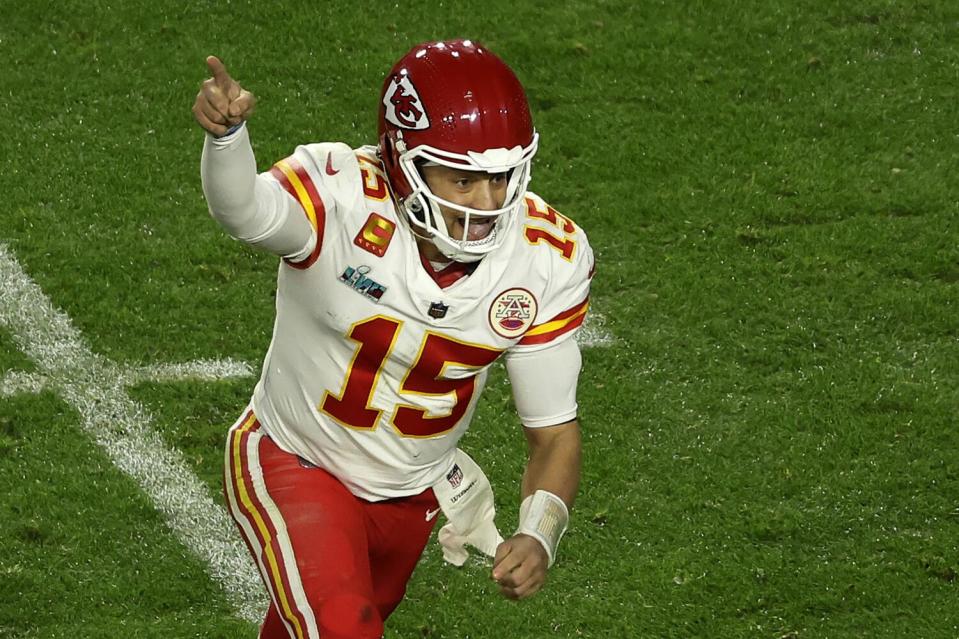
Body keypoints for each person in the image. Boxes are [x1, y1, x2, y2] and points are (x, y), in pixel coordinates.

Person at [193, 39, 594, 639]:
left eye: (500, 177)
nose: (486, 204)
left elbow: (554, 432)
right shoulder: (341, 194)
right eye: (462, 179)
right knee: (342, 629)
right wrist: (226, 139)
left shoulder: (546, 258)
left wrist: (539, 532)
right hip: (294, 458)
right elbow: (246, 212)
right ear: (404, 161)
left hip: (411, 494)